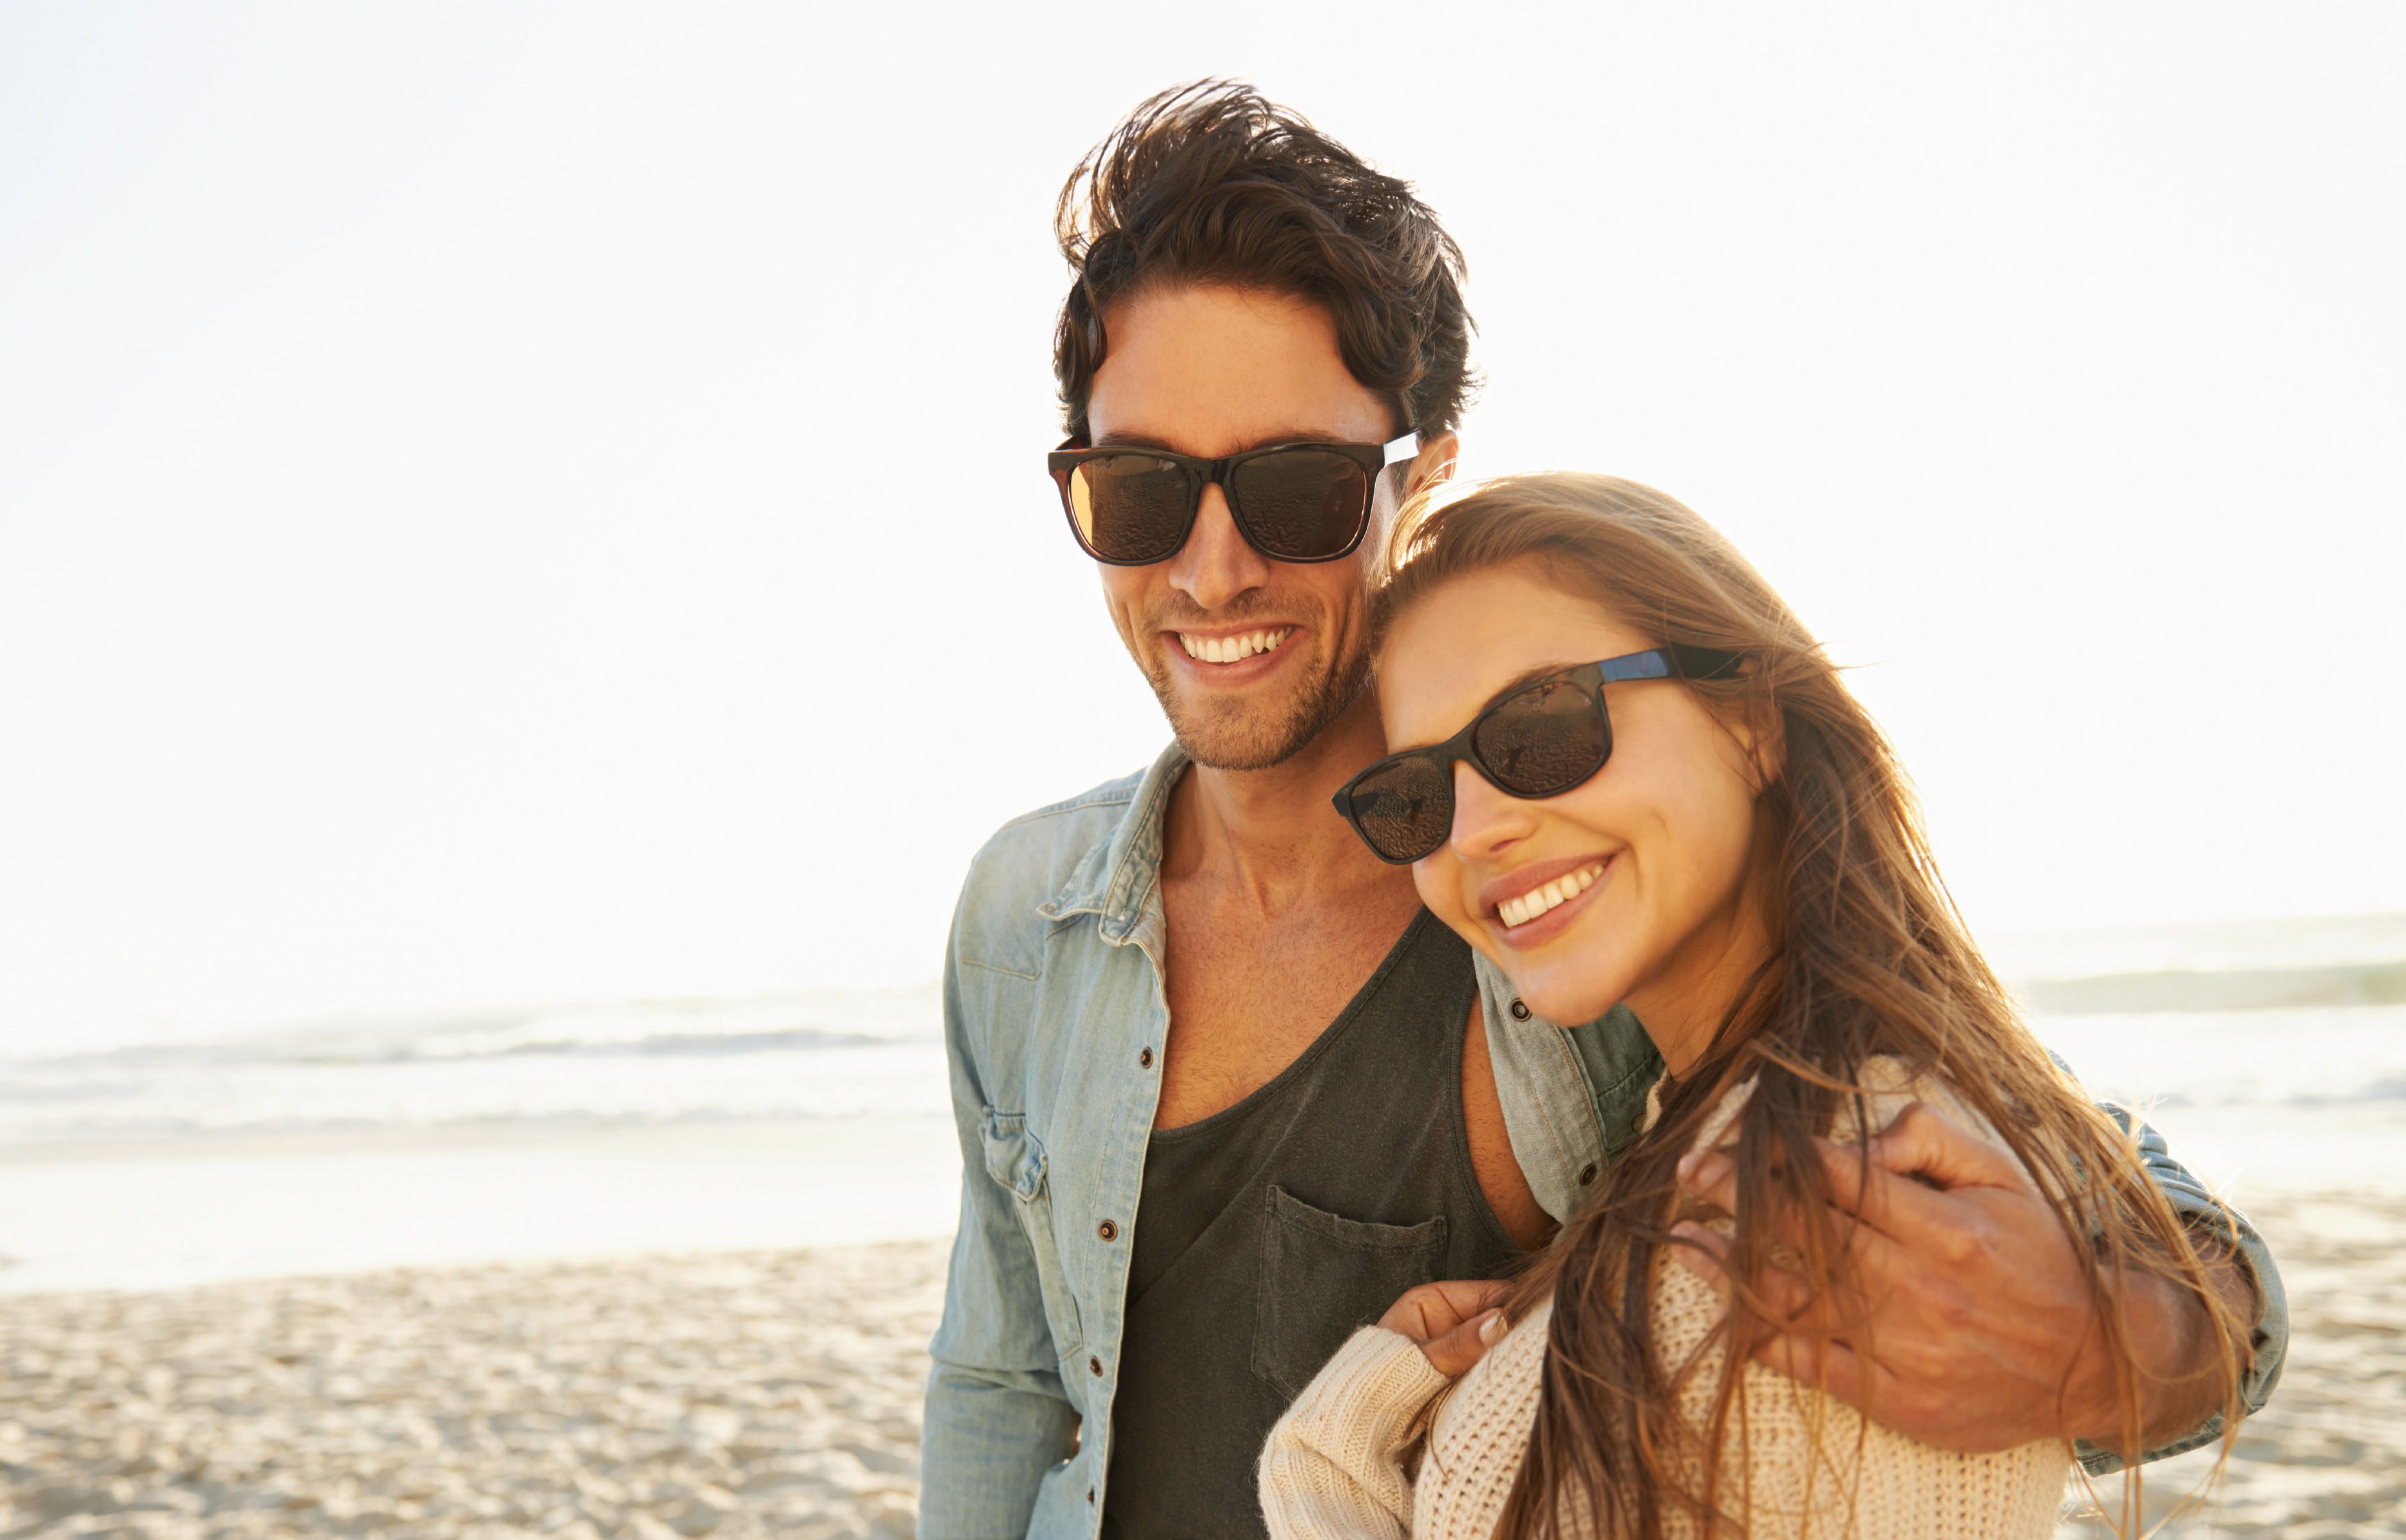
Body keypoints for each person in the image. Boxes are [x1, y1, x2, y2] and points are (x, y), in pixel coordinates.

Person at [918, 81, 2285, 1540]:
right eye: (1137, 490)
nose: (1206, 570)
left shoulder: (1581, 895)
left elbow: (2117, 1209)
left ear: (1418, 479)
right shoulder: (1025, 913)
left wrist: (2112, 1338)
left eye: (1293, 488)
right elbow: (1001, 1379)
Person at [1258, 474, 2258, 1537]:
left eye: (1541, 727)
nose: (1475, 831)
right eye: (1416, 794)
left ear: (1747, 718)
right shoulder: (1723, 1123)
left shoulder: (1828, 1180)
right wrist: (1343, 1444)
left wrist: (1322, 1459)